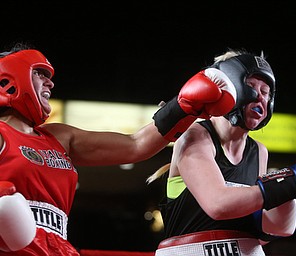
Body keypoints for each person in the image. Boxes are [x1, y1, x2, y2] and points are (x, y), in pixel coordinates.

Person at [0, 43, 239, 255]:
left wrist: (185, 106)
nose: (50, 82)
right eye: (39, 74)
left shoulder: (59, 137)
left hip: (57, 246)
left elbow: (136, 145)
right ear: (9, 80)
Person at [147, 49, 296, 256]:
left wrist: (290, 191)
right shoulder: (194, 137)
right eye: (251, 86)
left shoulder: (259, 151)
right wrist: (292, 182)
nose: (260, 97)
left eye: (266, 92)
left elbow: (265, 231)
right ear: (228, 87)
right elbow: (218, 205)